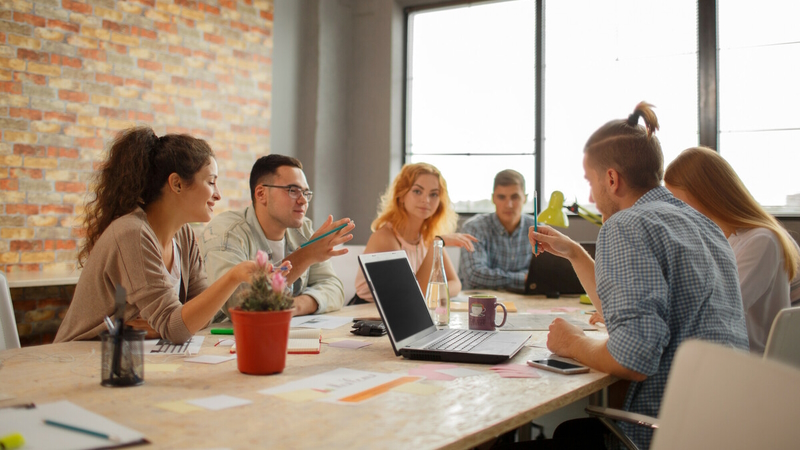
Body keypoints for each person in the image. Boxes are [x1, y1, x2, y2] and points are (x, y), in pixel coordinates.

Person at [527, 103, 748, 450]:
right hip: (718, 428)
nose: (589, 196)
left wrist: (572, 343)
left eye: (590, 182)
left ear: (612, 178)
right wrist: (576, 253)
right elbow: (631, 309)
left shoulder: (626, 225)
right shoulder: (701, 224)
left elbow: (634, 358)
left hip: (661, 432)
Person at [55, 127, 275, 343]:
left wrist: (168, 326)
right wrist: (234, 276)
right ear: (177, 184)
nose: (217, 195)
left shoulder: (184, 235)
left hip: (129, 356)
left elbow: (199, 318)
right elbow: (177, 328)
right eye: (210, 182)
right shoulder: (131, 233)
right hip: (82, 359)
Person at [663, 146, 800, 353]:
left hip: (747, 367)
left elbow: (719, 310)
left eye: (677, 199)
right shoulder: (723, 238)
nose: (674, 209)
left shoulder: (762, 241)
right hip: (727, 358)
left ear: (705, 194)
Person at [200, 155, 354, 319]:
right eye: (292, 191)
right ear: (261, 194)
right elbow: (239, 305)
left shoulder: (303, 230)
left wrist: (292, 307)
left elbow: (334, 288)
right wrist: (306, 255)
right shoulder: (226, 232)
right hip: (226, 340)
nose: (303, 200)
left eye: (306, 192)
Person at [353, 163, 477, 303]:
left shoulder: (428, 237)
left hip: (403, 312)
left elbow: (455, 283)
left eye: (434, 194)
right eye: (417, 191)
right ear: (401, 195)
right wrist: (437, 244)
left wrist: (431, 292)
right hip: (365, 314)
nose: (426, 200)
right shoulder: (385, 237)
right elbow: (412, 295)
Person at [458, 169, 536, 291]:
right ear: (493, 198)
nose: (508, 204)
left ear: (524, 198)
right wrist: (524, 279)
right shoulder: (474, 228)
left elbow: (545, 276)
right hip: (479, 304)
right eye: (501, 197)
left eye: (515, 197)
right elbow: (474, 275)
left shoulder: (537, 229)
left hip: (528, 303)